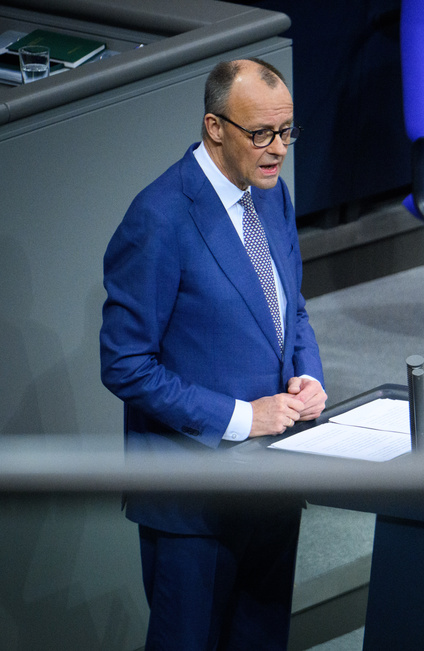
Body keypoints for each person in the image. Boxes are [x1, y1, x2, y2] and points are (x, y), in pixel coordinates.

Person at [100, 58, 327, 650]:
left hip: (273, 482)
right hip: (193, 507)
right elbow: (125, 363)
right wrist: (242, 418)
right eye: (262, 133)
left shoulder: (271, 196)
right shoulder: (158, 218)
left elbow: (292, 308)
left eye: (287, 131)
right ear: (215, 127)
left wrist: (308, 375)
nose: (278, 149)